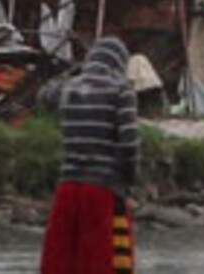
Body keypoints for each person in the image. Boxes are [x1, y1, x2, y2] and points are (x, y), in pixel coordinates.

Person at [40, 38, 139, 274]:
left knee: (60, 262)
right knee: (103, 262)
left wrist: (75, 70)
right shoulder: (120, 89)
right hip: (103, 188)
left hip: (67, 187)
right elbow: (129, 145)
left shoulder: (68, 88)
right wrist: (128, 183)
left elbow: (43, 95)